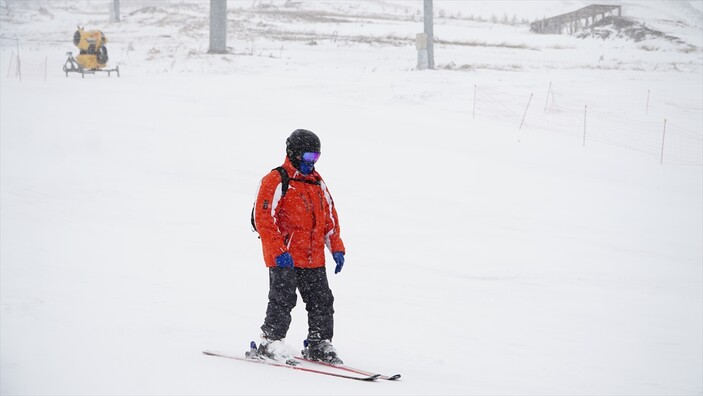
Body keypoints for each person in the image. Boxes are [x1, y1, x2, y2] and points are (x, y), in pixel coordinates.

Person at [252, 129, 346, 365]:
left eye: (315, 158)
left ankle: (319, 342)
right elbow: (264, 218)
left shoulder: (317, 182)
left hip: (313, 257)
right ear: (293, 153)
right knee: (282, 300)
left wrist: (336, 248)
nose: (311, 163)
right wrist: (278, 251)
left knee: (322, 301)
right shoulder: (276, 179)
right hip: (285, 256)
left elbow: (329, 218)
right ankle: (270, 341)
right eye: (307, 157)